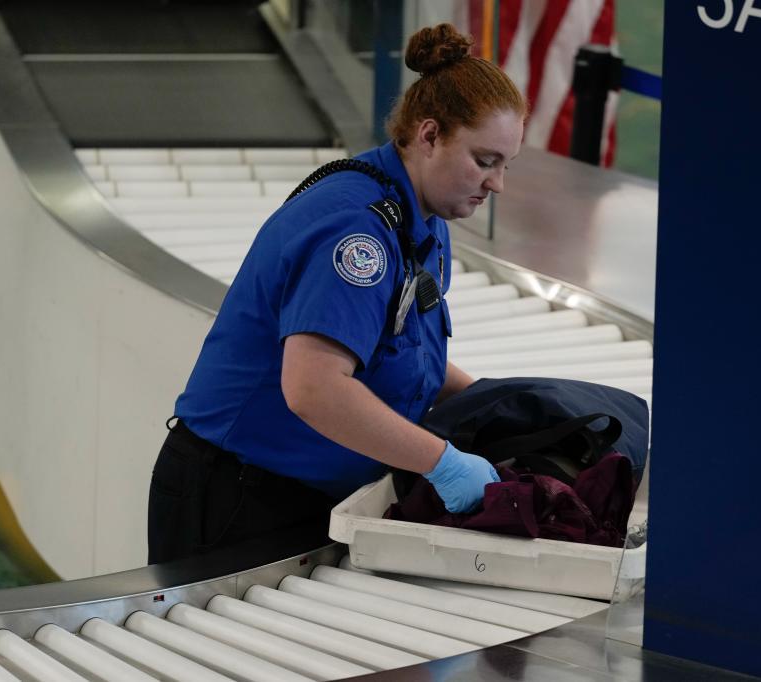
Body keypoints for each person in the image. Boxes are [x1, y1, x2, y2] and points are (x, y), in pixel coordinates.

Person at [147, 23, 527, 565]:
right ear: (428, 135)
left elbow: (397, 348)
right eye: (484, 160)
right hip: (239, 495)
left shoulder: (422, 216)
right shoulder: (355, 230)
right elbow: (314, 388)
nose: (497, 184)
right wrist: (440, 461)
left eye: (507, 165)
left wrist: (494, 402)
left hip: (311, 491)